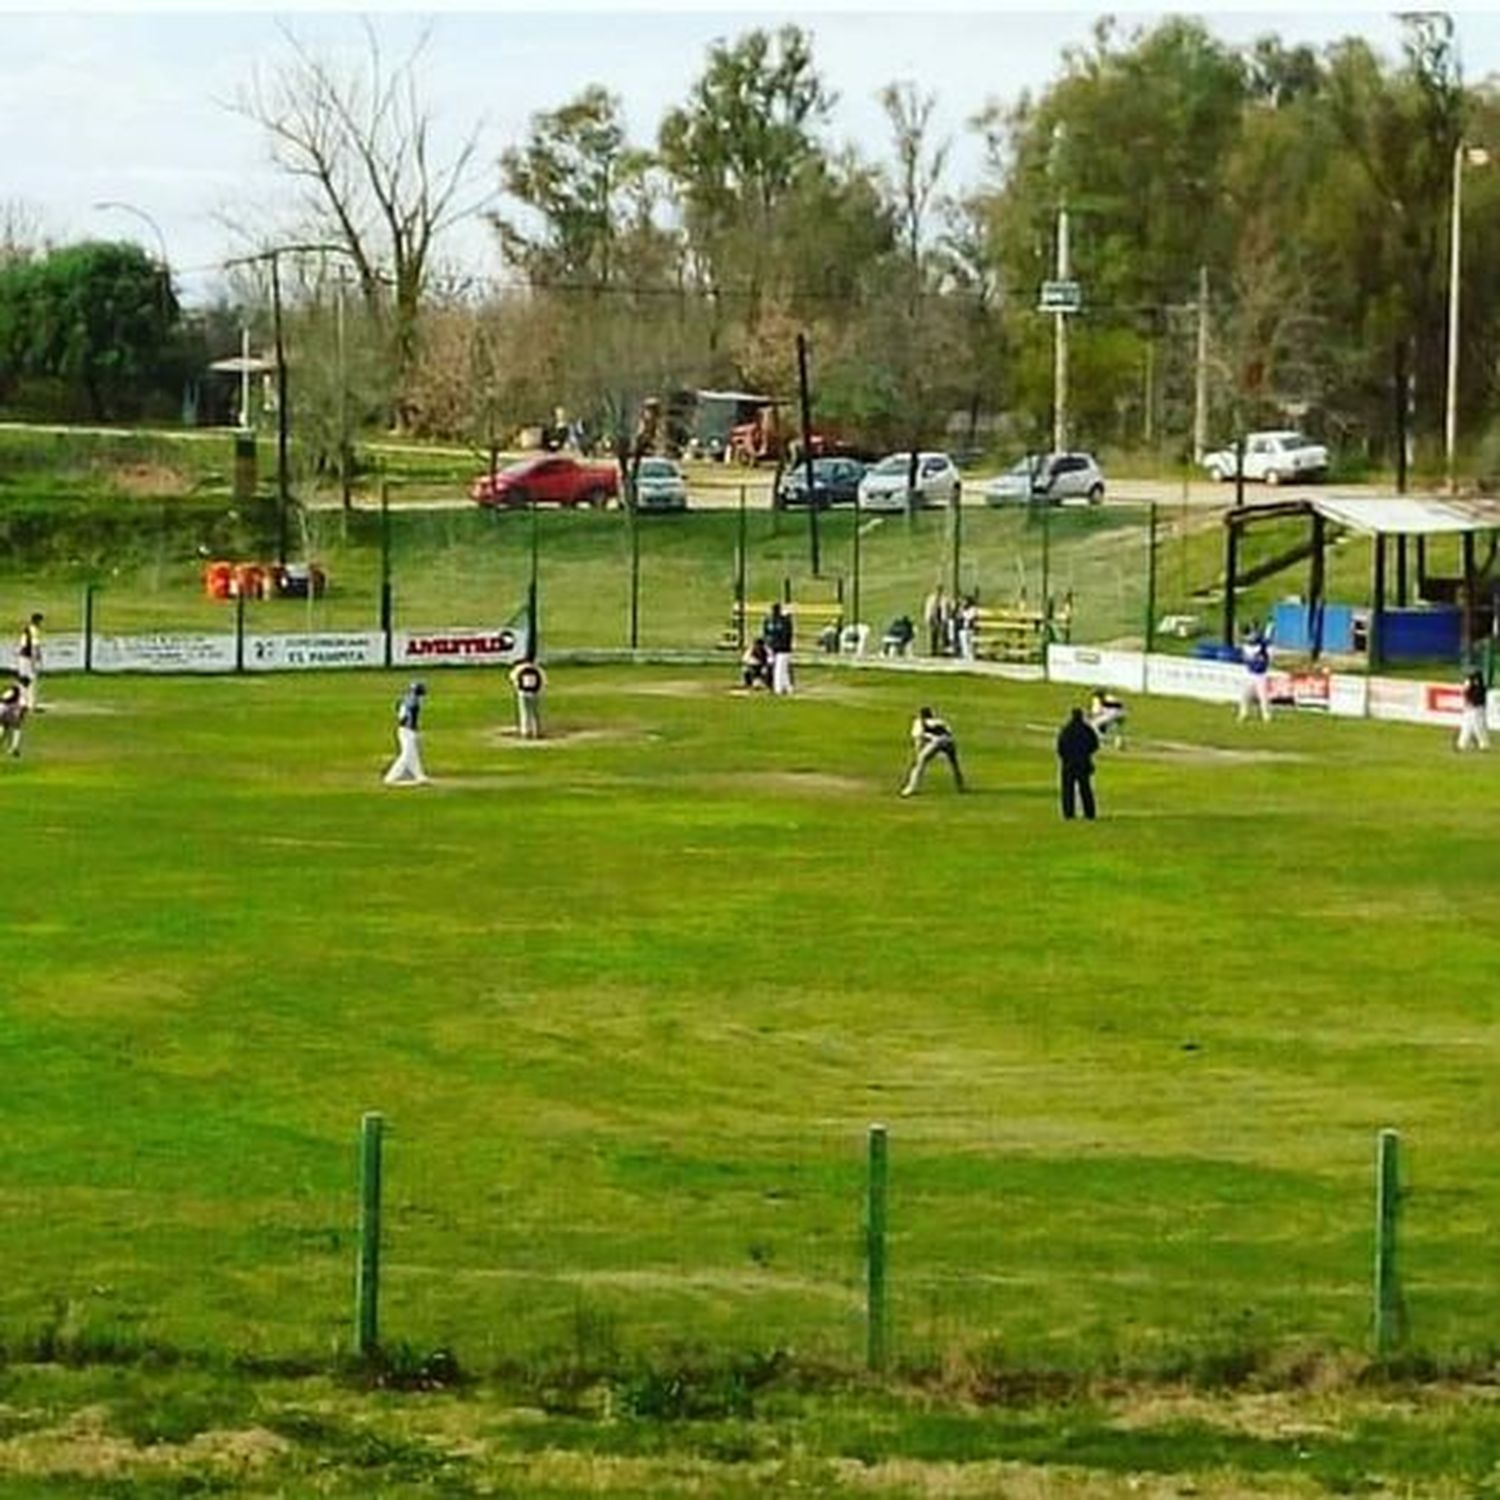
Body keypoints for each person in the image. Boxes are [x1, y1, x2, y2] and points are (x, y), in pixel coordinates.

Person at [900, 706, 965, 797]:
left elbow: (918, 740)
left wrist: (918, 754)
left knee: (920, 763)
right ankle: (960, 786)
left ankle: (911, 788)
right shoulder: (940, 721)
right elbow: (949, 733)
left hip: (936, 742)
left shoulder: (919, 722)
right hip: (949, 741)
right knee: (954, 764)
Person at [1056, 706, 1100, 821]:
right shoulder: (1087, 730)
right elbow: (1095, 745)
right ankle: (1089, 813)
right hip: (1083, 764)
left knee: (1067, 790)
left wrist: (1066, 758)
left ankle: (1068, 814)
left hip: (1068, 765)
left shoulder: (1066, 730)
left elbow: (1060, 748)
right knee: (1085, 789)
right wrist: (1086, 754)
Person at [383, 680, 429, 786]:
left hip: (403, 729)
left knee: (413, 754)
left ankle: (419, 775)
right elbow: (409, 717)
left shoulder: (404, 699)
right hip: (407, 731)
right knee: (406, 755)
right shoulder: (414, 701)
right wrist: (413, 728)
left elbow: (399, 709)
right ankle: (391, 777)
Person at [1238, 622, 1273, 722]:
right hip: (1249, 673)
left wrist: (1269, 627)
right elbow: (1249, 641)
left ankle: (1266, 715)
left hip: (1261, 675)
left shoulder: (1262, 645)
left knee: (1263, 696)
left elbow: (1265, 640)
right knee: (1245, 695)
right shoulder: (1246, 646)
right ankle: (1243, 713)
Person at [510, 658, 547, 739]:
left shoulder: (518, 669)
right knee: (536, 713)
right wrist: (540, 692)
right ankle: (537, 730)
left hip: (523, 693)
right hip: (535, 693)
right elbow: (543, 682)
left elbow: (513, 681)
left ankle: (525, 731)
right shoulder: (539, 669)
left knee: (524, 712)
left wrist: (518, 691)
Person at [763, 601, 794, 696]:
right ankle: (788, 688)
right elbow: (766, 634)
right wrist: (768, 646)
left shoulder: (784, 621)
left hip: (783, 649)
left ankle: (778, 690)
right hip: (773, 648)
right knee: (782, 670)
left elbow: (787, 635)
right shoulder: (769, 621)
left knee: (779, 669)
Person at [1456, 668, 1490, 751]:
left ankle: (1484, 744)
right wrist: (1468, 685)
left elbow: (1476, 699)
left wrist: (1470, 685)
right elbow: (1466, 694)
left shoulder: (1480, 687)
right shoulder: (1471, 685)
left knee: (1478, 727)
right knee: (1466, 726)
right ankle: (1462, 744)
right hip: (1470, 709)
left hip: (1477, 710)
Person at [15, 611, 42, 712]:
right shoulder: (34, 630)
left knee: (23, 679)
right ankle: (31, 704)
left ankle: (22, 702)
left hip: (21, 657)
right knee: (32, 679)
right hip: (28, 657)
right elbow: (35, 646)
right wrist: (36, 659)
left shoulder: (26, 629)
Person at [0, 674, 27, 758]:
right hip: (6, 710)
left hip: (4, 709)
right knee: (16, 728)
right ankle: (14, 748)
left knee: (3, 728)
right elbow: (23, 704)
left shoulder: (12, 688)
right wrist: (21, 714)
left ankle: (13, 748)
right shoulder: (20, 690)